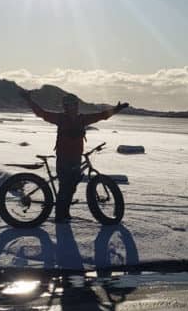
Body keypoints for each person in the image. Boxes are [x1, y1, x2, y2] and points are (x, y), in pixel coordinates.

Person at [20, 89, 128, 222]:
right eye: (71, 105)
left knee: (71, 187)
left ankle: (65, 213)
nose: (74, 108)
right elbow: (41, 113)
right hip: (64, 158)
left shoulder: (82, 119)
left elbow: (101, 116)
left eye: (75, 105)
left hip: (76, 158)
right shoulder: (60, 118)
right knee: (65, 186)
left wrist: (116, 109)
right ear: (66, 107)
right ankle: (60, 216)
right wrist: (29, 100)